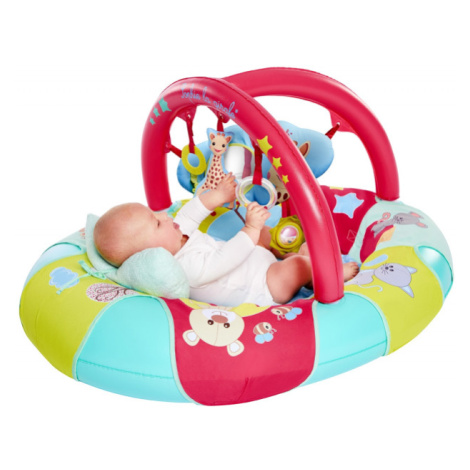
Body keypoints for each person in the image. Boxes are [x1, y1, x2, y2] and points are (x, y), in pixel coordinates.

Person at [94, 173, 358, 306]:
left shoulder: (174, 235)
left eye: (155, 213)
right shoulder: (184, 269)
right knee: (293, 267)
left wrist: (219, 195)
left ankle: (297, 260)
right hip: (263, 286)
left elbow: (191, 212)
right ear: (149, 251)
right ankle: (326, 273)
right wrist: (250, 227)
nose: (164, 215)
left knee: (262, 235)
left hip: (255, 261)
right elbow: (226, 257)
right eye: (156, 222)